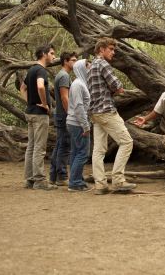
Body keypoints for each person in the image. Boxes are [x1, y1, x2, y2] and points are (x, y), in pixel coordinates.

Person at [88, 37, 136, 195]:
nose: (113, 53)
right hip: (106, 110)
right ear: (101, 49)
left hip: (95, 112)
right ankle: (118, 180)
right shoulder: (102, 63)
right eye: (111, 49)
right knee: (127, 142)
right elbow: (117, 85)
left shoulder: (91, 67)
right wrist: (118, 89)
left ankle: (100, 184)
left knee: (99, 150)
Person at [20, 44, 57, 190]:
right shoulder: (41, 70)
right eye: (52, 53)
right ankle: (40, 181)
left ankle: (29, 180)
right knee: (39, 148)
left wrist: (29, 101)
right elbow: (41, 86)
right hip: (39, 114)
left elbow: (22, 88)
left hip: (30, 112)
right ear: (44, 54)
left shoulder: (31, 70)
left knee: (31, 146)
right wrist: (44, 103)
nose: (54, 56)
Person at [49, 52, 77, 186]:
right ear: (66, 61)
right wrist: (70, 114)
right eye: (73, 60)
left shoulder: (61, 75)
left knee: (60, 145)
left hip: (61, 115)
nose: (75, 62)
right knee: (64, 146)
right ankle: (62, 176)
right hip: (64, 115)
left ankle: (53, 175)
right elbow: (64, 97)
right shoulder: (64, 76)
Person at [66, 59, 91, 192]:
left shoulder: (82, 84)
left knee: (76, 152)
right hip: (77, 123)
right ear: (81, 68)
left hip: (76, 122)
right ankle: (74, 183)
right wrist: (85, 126)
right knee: (82, 153)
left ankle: (77, 179)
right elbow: (78, 106)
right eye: (88, 67)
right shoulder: (78, 84)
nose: (90, 69)